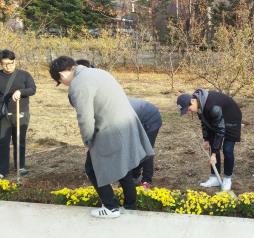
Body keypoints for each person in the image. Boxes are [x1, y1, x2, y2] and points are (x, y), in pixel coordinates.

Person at [49, 56, 154, 218]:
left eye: (60, 81)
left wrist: (88, 141)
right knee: (123, 165)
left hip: (109, 129)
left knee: (92, 168)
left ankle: (111, 207)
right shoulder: (98, 72)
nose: (63, 84)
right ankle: (130, 205)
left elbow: (85, 118)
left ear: (62, 75)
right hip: (126, 123)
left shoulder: (78, 84)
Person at [75, 59, 162, 187]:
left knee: (145, 149)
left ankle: (146, 180)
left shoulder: (104, 106)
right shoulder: (97, 101)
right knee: (131, 148)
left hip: (149, 117)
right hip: (134, 117)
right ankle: (133, 177)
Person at [176, 89, 242, 191]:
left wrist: (214, 154)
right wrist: (206, 139)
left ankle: (227, 179)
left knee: (227, 149)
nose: (189, 111)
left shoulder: (212, 107)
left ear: (192, 101)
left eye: (188, 108)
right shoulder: (199, 104)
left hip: (231, 118)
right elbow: (204, 122)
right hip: (218, 118)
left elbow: (220, 130)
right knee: (212, 143)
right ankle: (214, 177)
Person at [0, 49, 36, 179]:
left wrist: (21, 92)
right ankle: (2, 170)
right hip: (3, 114)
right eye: (5, 64)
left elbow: (32, 89)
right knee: (2, 141)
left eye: (11, 63)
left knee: (19, 140)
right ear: (0, 64)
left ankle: (20, 166)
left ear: (15, 61)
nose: (8, 66)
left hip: (21, 112)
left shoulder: (24, 75)